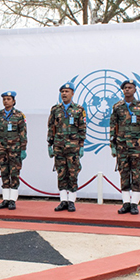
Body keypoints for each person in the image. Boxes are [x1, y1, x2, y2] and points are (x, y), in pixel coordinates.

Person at [110, 80, 140, 215]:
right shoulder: (117, 107)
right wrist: (113, 145)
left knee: (137, 173)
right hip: (121, 145)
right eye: (125, 88)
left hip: (137, 145)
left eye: (130, 88)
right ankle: (126, 203)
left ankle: (135, 204)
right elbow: (112, 126)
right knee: (124, 173)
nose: (127, 90)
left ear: (135, 90)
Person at [47, 82, 87, 212]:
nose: (64, 93)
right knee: (61, 173)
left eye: (67, 91)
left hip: (73, 147)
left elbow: (82, 129)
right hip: (59, 146)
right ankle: (63, 200)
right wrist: (50, 144)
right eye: (62, 91)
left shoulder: (79, 109)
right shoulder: (55, 109)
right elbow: (51, 128)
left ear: (72, 93)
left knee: (73, 173)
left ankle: (71, 201)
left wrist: (81, 146)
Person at [0, 91, 28, 210]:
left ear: (14, 101)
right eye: (4, 99)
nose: (6, 101)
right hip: (1, 149)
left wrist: (23, 149)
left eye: (8, 99)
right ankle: (5, 199)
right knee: (4, 173)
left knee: (14, 174)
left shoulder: (19, 115)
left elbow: (23, 133)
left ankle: (12, 200)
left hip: (15, 149)